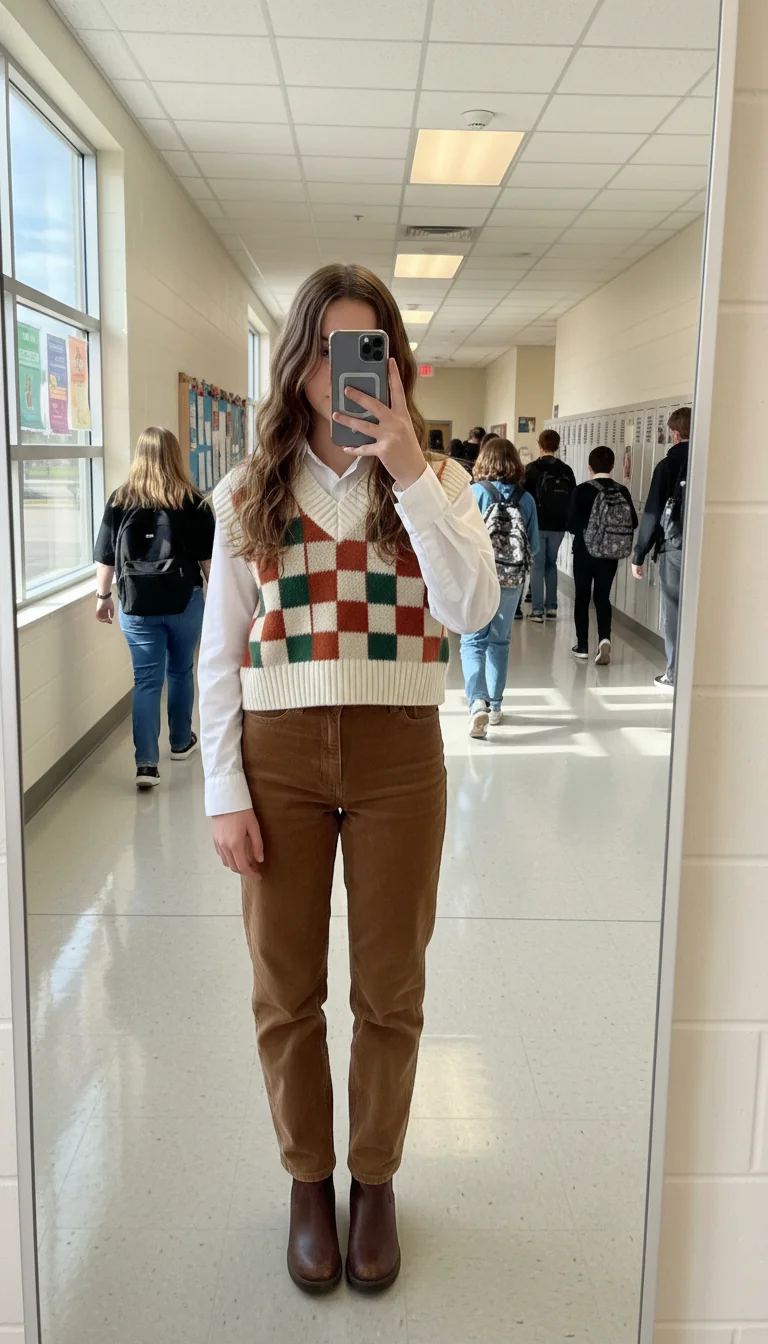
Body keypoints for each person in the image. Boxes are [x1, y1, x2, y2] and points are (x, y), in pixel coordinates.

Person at [197, 263, 498, 1296]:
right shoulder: (250, 487)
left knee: (391, 989)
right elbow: (217, 654)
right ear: (299, 361)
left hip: (399, 750)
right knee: (285, 989)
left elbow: (470, 611)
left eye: (365, 349)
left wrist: (410, 468)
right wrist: (222, 791)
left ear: (397, 363)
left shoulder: (440, 484)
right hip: (276, 756)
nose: (342, 371)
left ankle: (373, 1181)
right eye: (326, 348)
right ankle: (305, 1177)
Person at [94, 426, 214, 790]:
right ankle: (180, 742)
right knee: (180, 670)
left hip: (137, 605)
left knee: (146, 680)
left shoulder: (119, 499)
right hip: (184, 602)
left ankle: (146, 764)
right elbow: (209, 564)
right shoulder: (191, 501)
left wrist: (103, 597)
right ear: (175, 456)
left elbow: (106, 556)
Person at [460, 437, 539, 738]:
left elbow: (461, 537)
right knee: (499, 641)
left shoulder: (476, 493)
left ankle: (476, 703)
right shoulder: (526, 499)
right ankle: (495, 706)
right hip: (511, 578)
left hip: (479, 576)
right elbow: (534, 545)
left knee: (472, 640)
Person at [632, 406, 690, 688]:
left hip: (675, 547)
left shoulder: (667, 465)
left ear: (675, 433)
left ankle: (675, 673)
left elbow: (652, 513)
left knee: (674, 610)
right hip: (710, 547)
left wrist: (639, 553)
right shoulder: (712, 459)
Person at [567, 445, 638, 665]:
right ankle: (604, 639)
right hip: (610, 554)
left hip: (585, 552)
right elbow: (633, 522)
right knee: (602, 597)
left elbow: (571, 523)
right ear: (612, 466)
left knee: (582, 596)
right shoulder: (621, 490)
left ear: (589, 467)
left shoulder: (581, 490)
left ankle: (582, 646)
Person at [524, 428, 576, 622]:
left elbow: (523, 497)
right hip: (559, 526)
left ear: (540, 445)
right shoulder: (566, 470)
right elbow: (572, 497)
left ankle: (537, 610)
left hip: (537, 524)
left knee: (537, 566)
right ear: (557, 445)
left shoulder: (531, 469)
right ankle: (552, 607)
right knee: (551, 564)